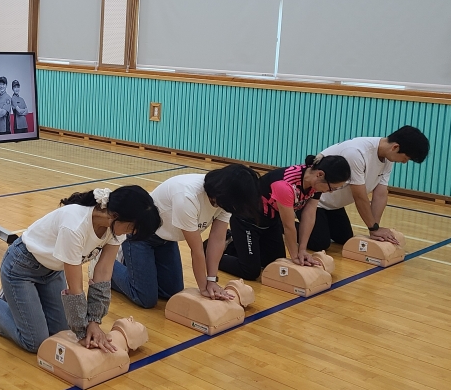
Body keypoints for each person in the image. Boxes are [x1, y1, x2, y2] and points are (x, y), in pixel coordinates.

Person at [0, 186, 161, 353]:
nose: (132, 232)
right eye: (132, 227)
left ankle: (16, 299)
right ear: (116, 216)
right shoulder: (75, 226)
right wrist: (83, 331)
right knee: (35, 341)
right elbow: (75, 288)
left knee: (60, 332)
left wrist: (94, 321)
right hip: (20, 269)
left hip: (52, 272)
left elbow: (103, 273)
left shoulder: (115, 228)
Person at [110, 165, 260, 309]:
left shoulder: (224, 201)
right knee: (146, 298)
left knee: (171, 293)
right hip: (142, 236)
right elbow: (197, 250)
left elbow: (218, 239)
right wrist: (204, 287)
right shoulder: (188, 196)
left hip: (167, 240)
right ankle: (107, 264)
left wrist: (212, 280)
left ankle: (134, 266)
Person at [217, 155, 351, 280]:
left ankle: (234, 244)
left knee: (274, 263)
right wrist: (295, 257)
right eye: (331, 188)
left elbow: (309, 215)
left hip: (270, 223)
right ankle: (211, 253)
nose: (330, 192)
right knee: (250, 271)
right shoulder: (285, 185)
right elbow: (288, 226)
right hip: (247, 222)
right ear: (320, 174)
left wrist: (302, 250)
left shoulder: (314, 183)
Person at [305, 127, 429, 251]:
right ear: (395, 147)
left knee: (345, 238)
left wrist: (375, 227)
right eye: (406, 158)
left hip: (334, 205)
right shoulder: (356, 153)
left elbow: (380, 194)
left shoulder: (388, 158)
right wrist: (373, 228)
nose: (404, 162)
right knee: (320, 243)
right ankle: (292, 225)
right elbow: (359, 196)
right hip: (313, 201)